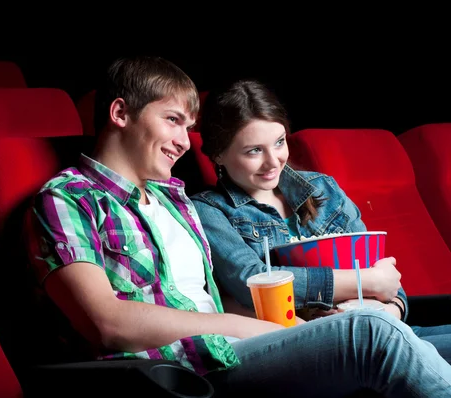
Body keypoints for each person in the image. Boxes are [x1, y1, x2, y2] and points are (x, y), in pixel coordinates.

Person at [25, 55, 451, 397]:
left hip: (241, 347)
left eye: (188, 128)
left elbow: (218, 300)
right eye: (173, 120)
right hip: (180, 370)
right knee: (371, 333)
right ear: (120, 112)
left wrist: (314, 322)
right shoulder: (69, 197)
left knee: (384, 326)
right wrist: (251, 326)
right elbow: (107, 323)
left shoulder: (176, 203)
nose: (182, 141)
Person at [190, 78, 451, 364]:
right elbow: (252, 282)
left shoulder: (323, 188)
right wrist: (365, 281)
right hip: (314, 347)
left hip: (384, 327)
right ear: (217, 154)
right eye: (254, 150)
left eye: (279, 142)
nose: (274, 161)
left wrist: (389, 312)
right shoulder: (209, 210)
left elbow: (389, 283)